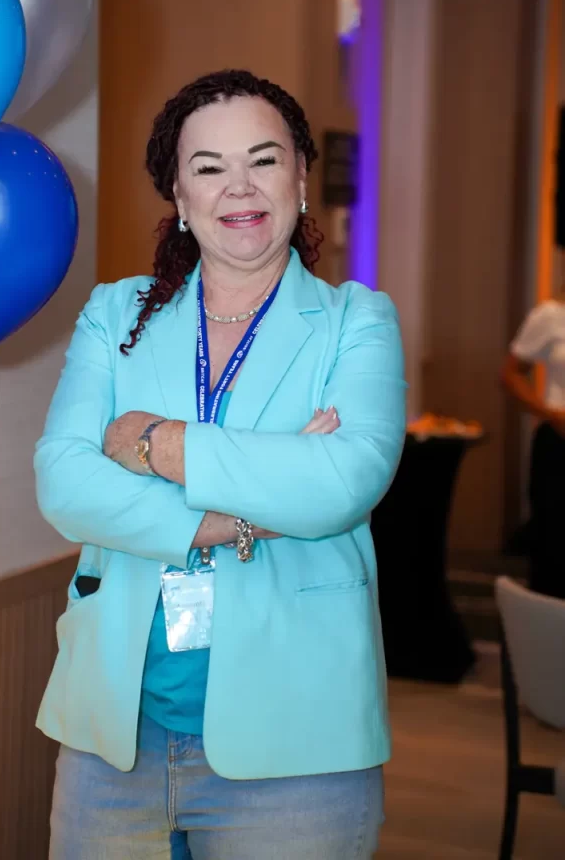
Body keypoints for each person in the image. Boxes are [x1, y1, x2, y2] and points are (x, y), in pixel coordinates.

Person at [34, 69, 407, 859]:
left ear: (299, 176)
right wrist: (239, 513)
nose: (239, 186)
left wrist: (152, 444)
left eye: (263, 160)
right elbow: (64, 484)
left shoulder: (355, 322)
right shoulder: (115, 314)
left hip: (296, 748)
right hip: (114, 739)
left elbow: (343, 482)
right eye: (208, 167)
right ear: (179, 192)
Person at [502, 286, 565, 599]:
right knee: (555, 544)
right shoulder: (550, 316)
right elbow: (511, 373)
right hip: (559, 441)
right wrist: (550, 413)